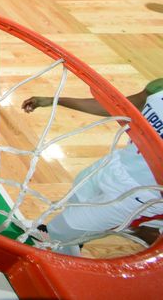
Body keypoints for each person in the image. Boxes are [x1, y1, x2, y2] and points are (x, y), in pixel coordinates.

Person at [21, 78, 163, 255]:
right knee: (75, 201)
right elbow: (120, 107)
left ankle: (64, 261)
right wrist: (56, 99)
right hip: (117, 164)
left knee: (61, 229)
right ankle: (68, 242)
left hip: (144, 194)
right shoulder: (159, 87)